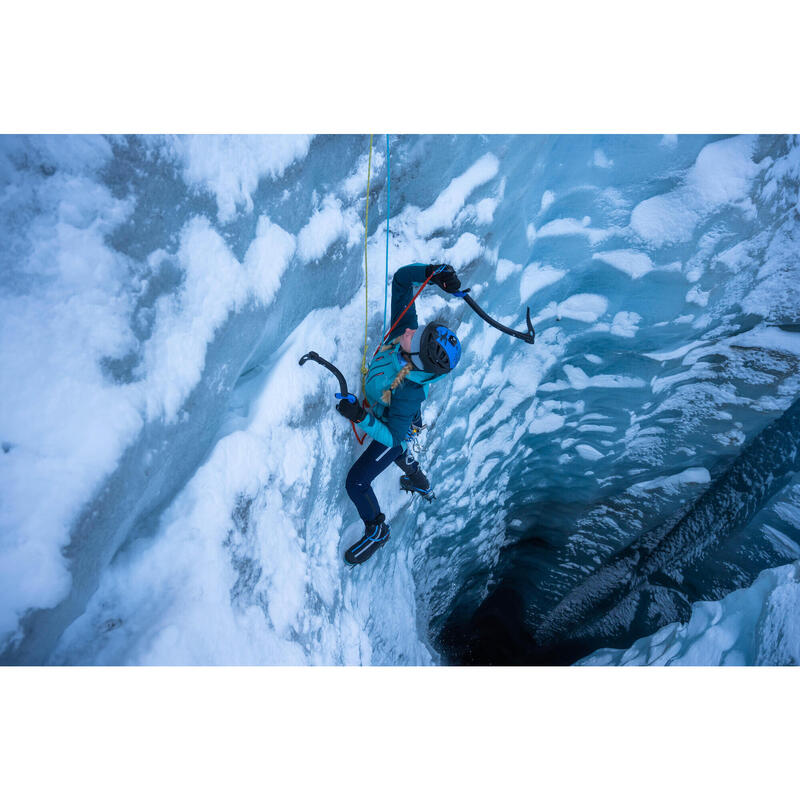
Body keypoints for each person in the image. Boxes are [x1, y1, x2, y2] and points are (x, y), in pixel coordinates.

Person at [336, 262, 463, 565]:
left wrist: (360, 417)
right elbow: (402, 281)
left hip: (394, 429)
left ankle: (377, 528)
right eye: (419, 331)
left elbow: (392, 437)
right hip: (398, 414)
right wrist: (433, 273)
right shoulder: (405, 332)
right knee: (400, 431)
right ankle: (419, 479)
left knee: (358, 481)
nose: (410, 329)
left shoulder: (409, 390)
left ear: (417, 360)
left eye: (415, 337)